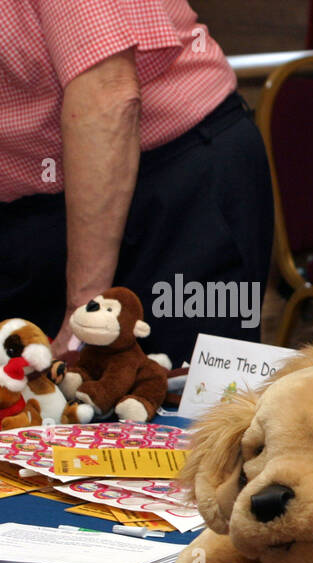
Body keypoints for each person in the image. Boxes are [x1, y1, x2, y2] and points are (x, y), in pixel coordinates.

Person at [0, 0, 273, 367]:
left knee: (177, 402)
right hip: (37, 209)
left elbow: (108, 95)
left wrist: (86, 314)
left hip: (174, 186)